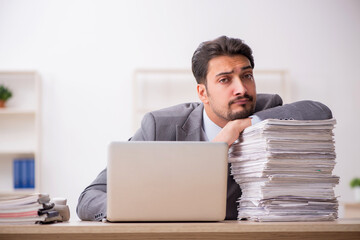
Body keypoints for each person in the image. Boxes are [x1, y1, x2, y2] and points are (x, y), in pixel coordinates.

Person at [77, 36, 332, 221]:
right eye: (225, 80)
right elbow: (90, 196)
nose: (241, 88)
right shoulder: (160, 126)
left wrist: (241, 125)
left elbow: (319, 111)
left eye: (247, 75)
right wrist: (132, 207)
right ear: (203, 92)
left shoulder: (266, 109)